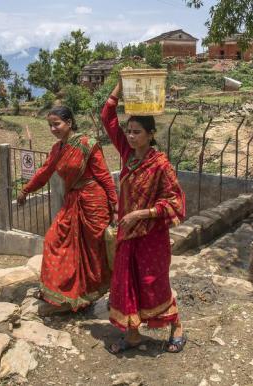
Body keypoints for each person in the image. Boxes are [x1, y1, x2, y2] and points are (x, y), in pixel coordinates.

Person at [101, 79, 187, 354]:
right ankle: (134, 335)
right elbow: (107, 116)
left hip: (151, 236)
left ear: (150, 134)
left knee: (154, 283)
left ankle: (176, 326)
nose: (130, 136)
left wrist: (140, 213)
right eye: (128, 131)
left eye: (137, 132)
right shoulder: (128, 155)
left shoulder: (161, 164)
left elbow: (175, 202)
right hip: (128, 235)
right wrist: (120, 87)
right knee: (128, 283)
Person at [18, 105, 118, 313]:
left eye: (57, 124)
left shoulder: (87, 145)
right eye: (50, 125)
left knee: (93, 252)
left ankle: (106, 292)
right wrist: (26, 190)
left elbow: (104, 176)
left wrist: (114, 205)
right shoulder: (57, 149)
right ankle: (69, 292)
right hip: (72, 202)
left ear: (69, 123)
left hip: (93, 202)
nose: (53, 129)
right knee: (54, 240)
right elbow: (44, 172)